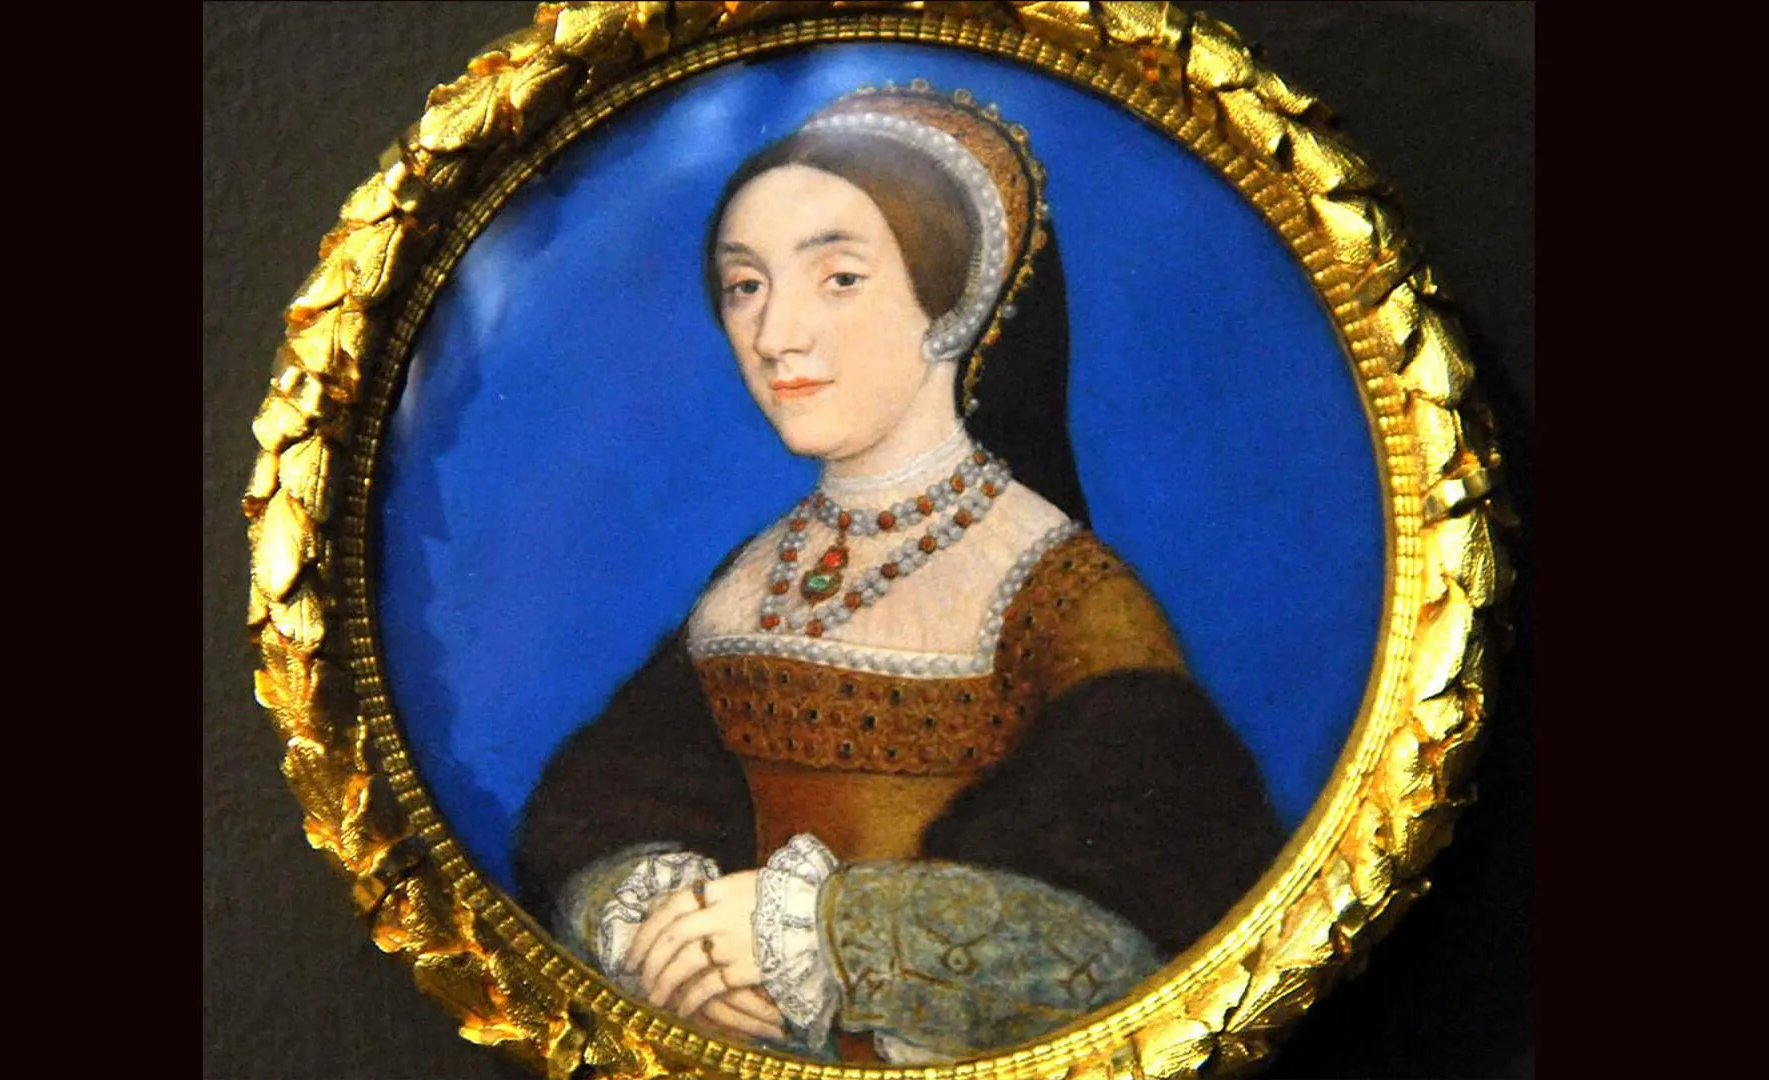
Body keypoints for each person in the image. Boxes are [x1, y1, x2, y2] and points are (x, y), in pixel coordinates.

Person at [513, 82, 1283, 1063]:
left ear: (953, 301)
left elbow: (1146, 946)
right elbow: (605, 805)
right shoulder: (751, 580)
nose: (776, 335)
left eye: (838, 278)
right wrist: (666, 926)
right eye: (745, 286)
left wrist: (830, 935)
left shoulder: (1067, 598)